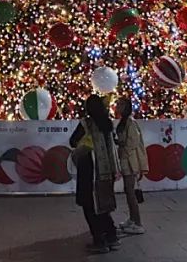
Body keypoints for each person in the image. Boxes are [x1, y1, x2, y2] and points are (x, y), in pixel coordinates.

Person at [69, 94, 120, 254]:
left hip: (88, 170)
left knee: (89, 205)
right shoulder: (108, 124)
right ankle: (112, 236)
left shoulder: (86, 123)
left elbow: (72, 141)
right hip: (106, 170)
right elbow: (113, 147)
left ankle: (99, 240)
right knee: (103, 205)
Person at [115, 97, 148, 235]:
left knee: (130, 192)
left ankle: (138, 222)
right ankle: (132, 219)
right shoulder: (124, 122)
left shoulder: (130, 122)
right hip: (126, 160)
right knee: (128, 191)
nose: (117, 107)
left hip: (130, 161)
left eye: (120, 104)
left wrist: (123, 149)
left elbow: (133, 142)